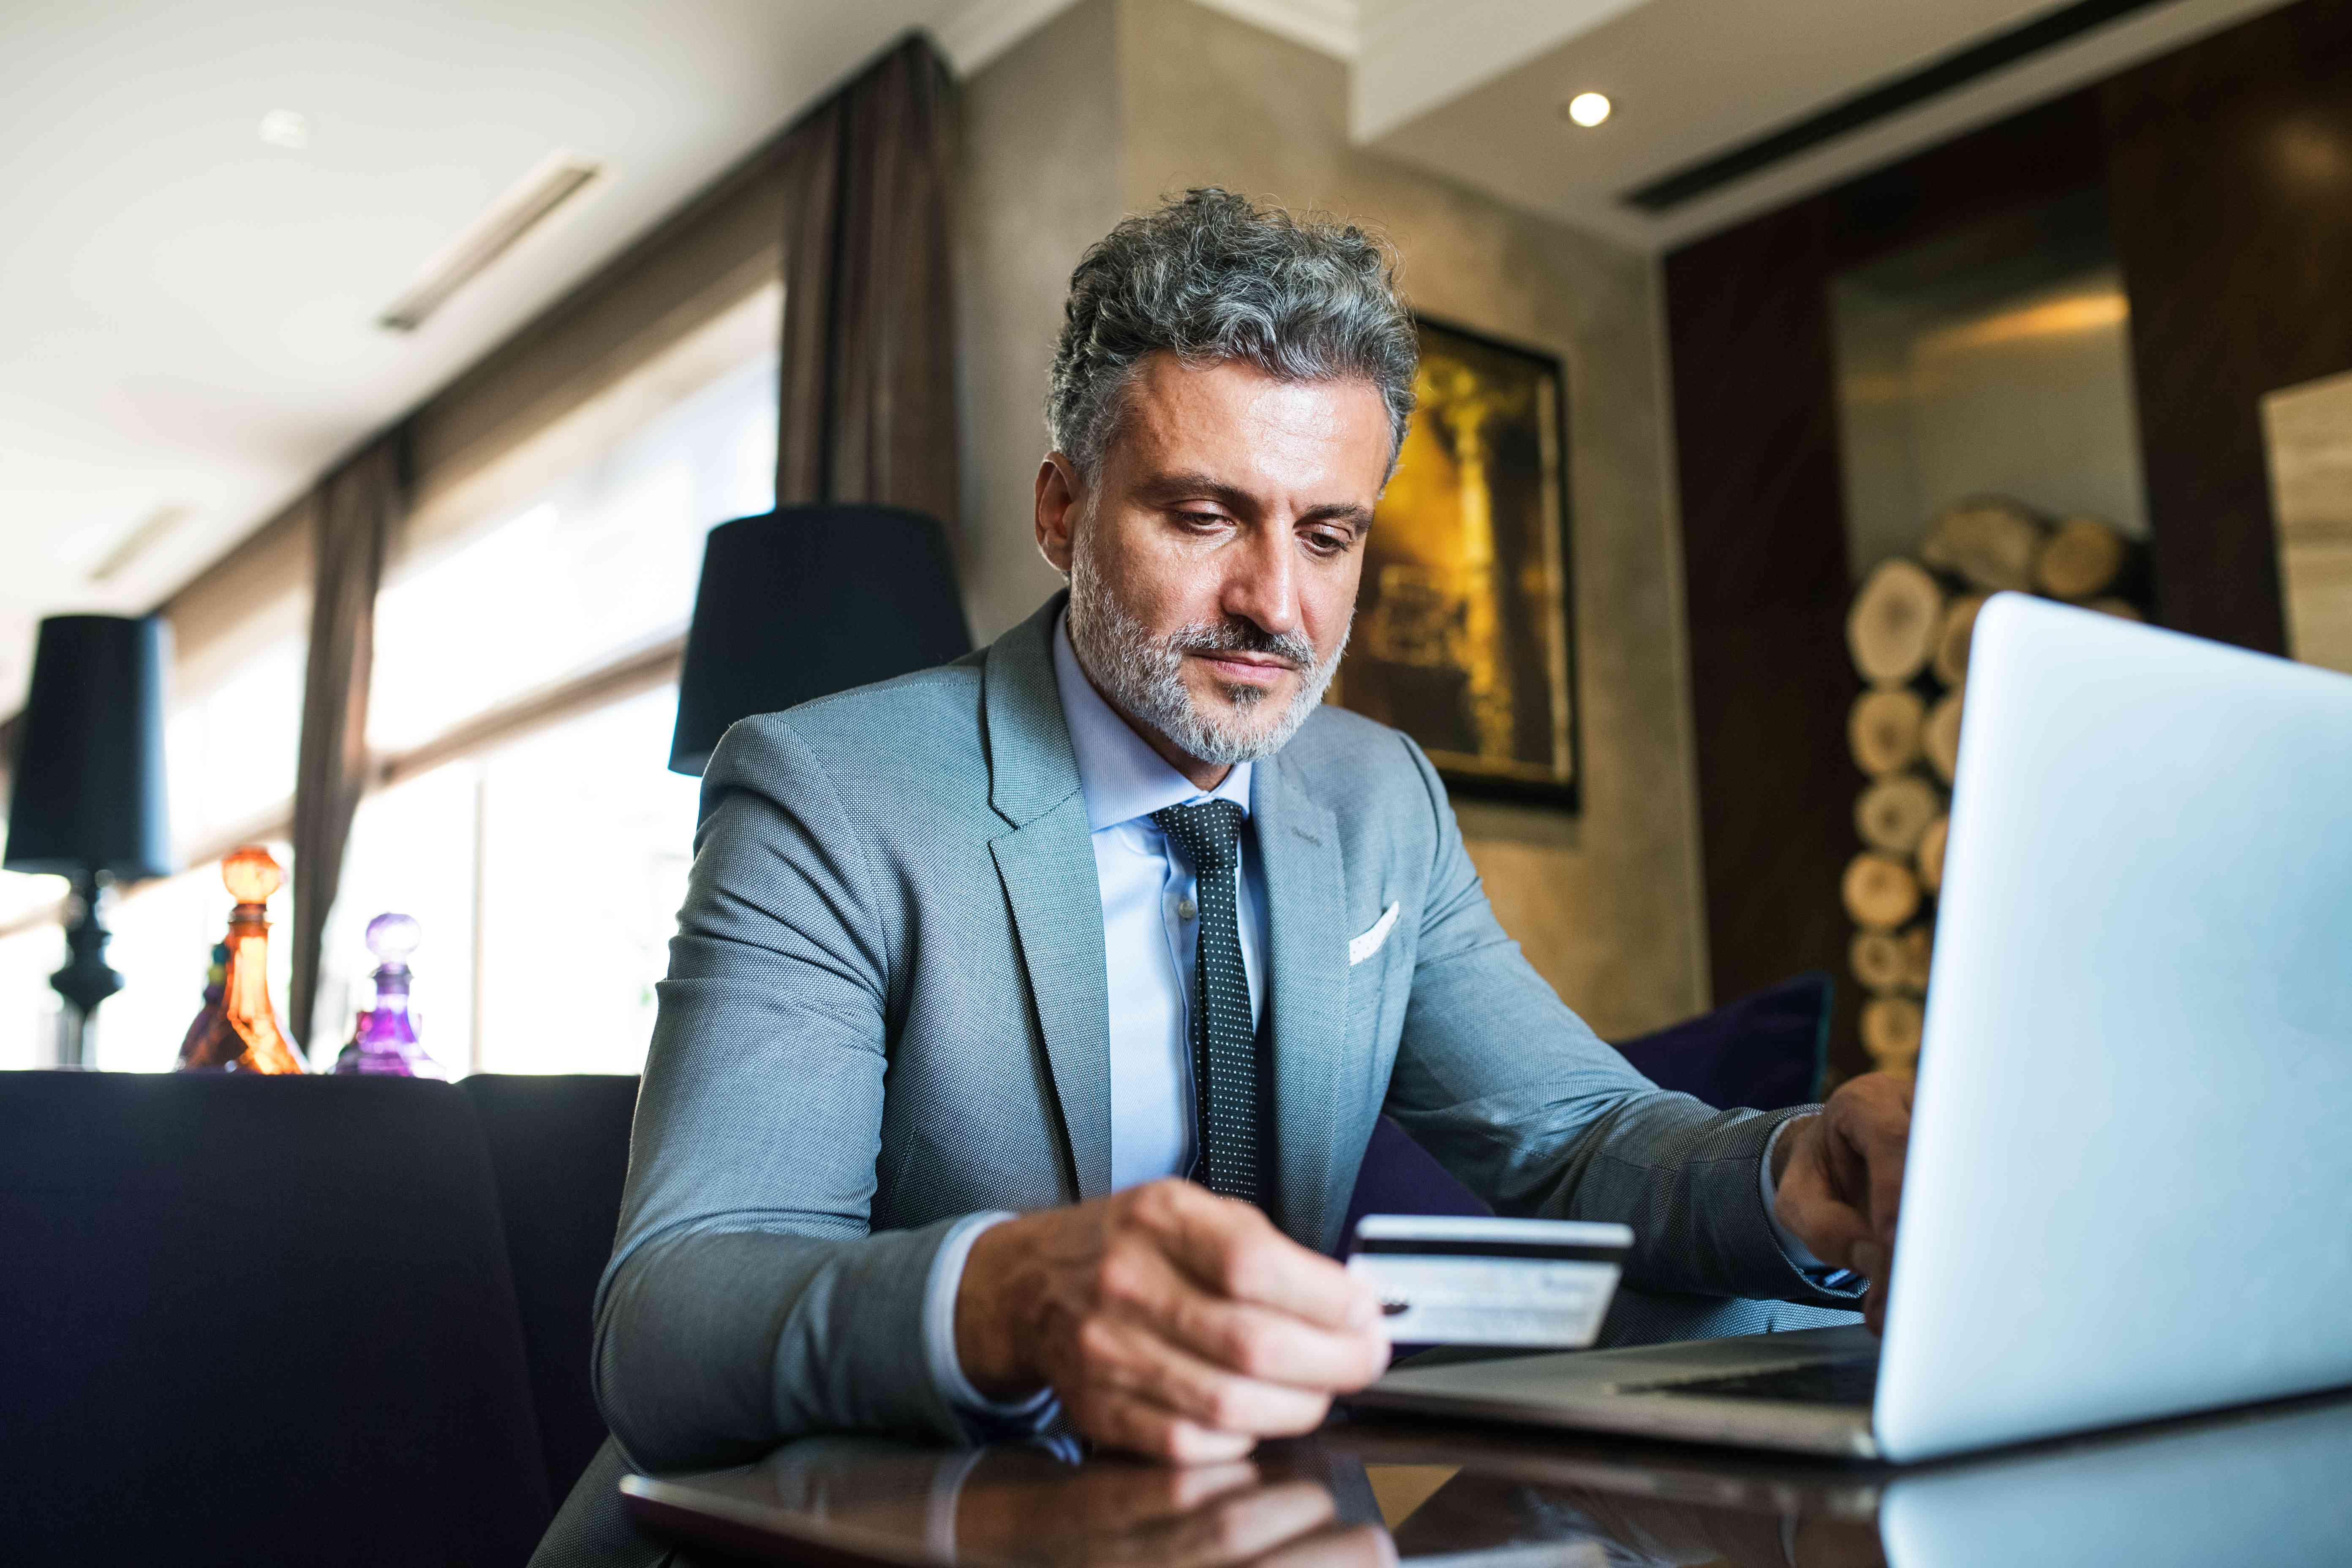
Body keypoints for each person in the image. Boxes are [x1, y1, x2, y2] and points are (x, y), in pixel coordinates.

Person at [532, 188, 1910, 1564]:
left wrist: (1799, 1174)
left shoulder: (1382, 801)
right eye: (1204, 516)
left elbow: (1579, 1139)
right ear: (1063, 510)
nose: (1276, 605)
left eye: (1328, 536)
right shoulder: (826, 791)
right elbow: (671, 1319)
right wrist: (1006, 1299)